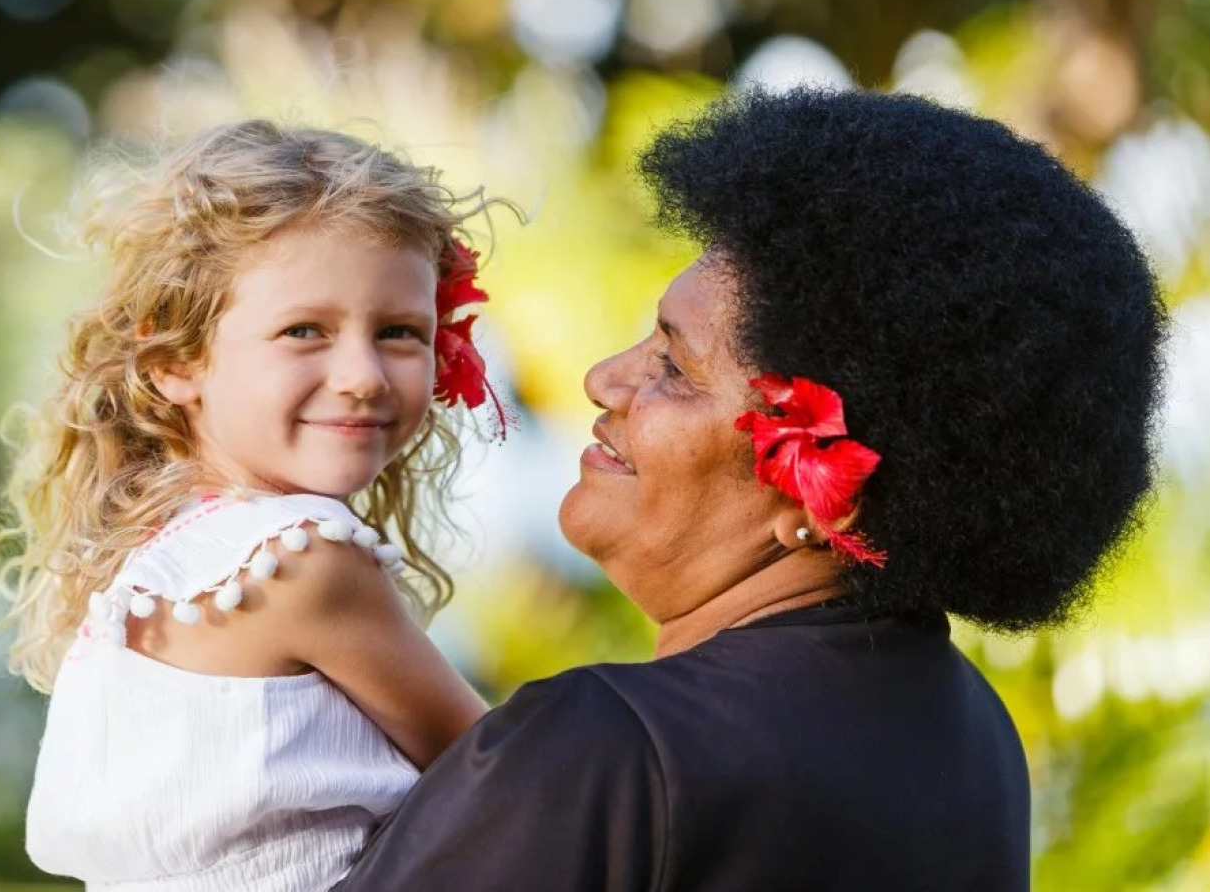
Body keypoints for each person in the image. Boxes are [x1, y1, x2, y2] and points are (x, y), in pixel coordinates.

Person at [333, 88, 1166, 891]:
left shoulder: (618, 748)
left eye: (673, 367)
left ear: (819, 486)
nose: (601, 379)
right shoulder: (972, 737)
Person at [0, 120, 515, 891]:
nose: (363, 375)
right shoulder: (299, 561)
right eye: (304, 330)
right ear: (174, 361)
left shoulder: (160, 558)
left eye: (399, 332)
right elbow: (500, 773)